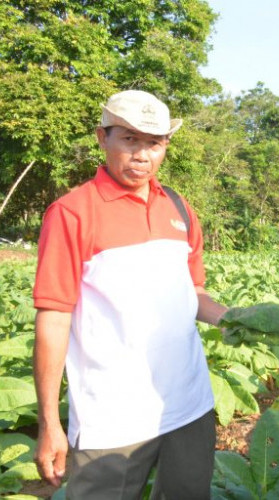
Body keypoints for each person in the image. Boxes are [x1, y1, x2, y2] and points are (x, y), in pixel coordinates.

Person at [32, 89, 228, 499]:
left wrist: (237, 318)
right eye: (130, 140)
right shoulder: (73, 212)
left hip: (189, 406)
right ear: (103, 138)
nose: (143, 155)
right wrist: (50, 420)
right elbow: (54, 316)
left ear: (166, 146)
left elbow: (193, 293)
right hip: (112, 418)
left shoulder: (178, 207)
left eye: (154, 143)